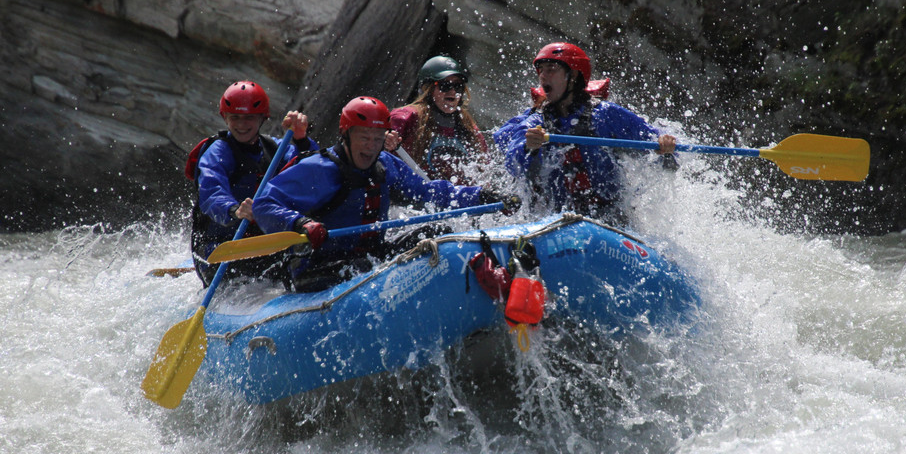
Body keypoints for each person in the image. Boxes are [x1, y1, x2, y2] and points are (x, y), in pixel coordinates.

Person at [253, 96, 518, 293]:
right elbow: (264, 203)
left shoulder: (385, 164)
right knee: (360, 267)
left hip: (370, 256)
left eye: (377, 138)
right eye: (364, 137)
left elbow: (430, 192)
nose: (371, 146)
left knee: (437, 233)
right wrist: (300, 223)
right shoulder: (319, 169)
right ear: (345, 135)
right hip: (318, 266)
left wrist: (482, 197)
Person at [493, 42, 678, 224]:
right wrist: (528, 147)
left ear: (573, 75)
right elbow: (513, 163)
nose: (543, 76)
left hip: (611, 221)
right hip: (555, 221)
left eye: (551, 69)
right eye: (541, 70)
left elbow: (655, 141)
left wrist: (665, 145)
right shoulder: (536, 122)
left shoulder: (606, 114)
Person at [187, 80, 317, 286]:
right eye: (235, 117)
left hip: (265, 243)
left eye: (249, 117)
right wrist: (235, 210)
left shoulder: (274, 148)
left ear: (262, 118)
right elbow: (211, 193)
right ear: (225, 117)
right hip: (219, 249)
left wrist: (302, 139)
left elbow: (313, 171)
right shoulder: (217, 152)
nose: (241, 124)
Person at [383, 55, 490, 183]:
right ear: (427, 89)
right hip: (415, 190)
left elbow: (484, 170)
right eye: (445, 85)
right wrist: (385, 141)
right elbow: (379, 150)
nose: (453, 92)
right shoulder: (405, 117)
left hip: (457, 193)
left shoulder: (468, 127)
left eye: (458, 86)